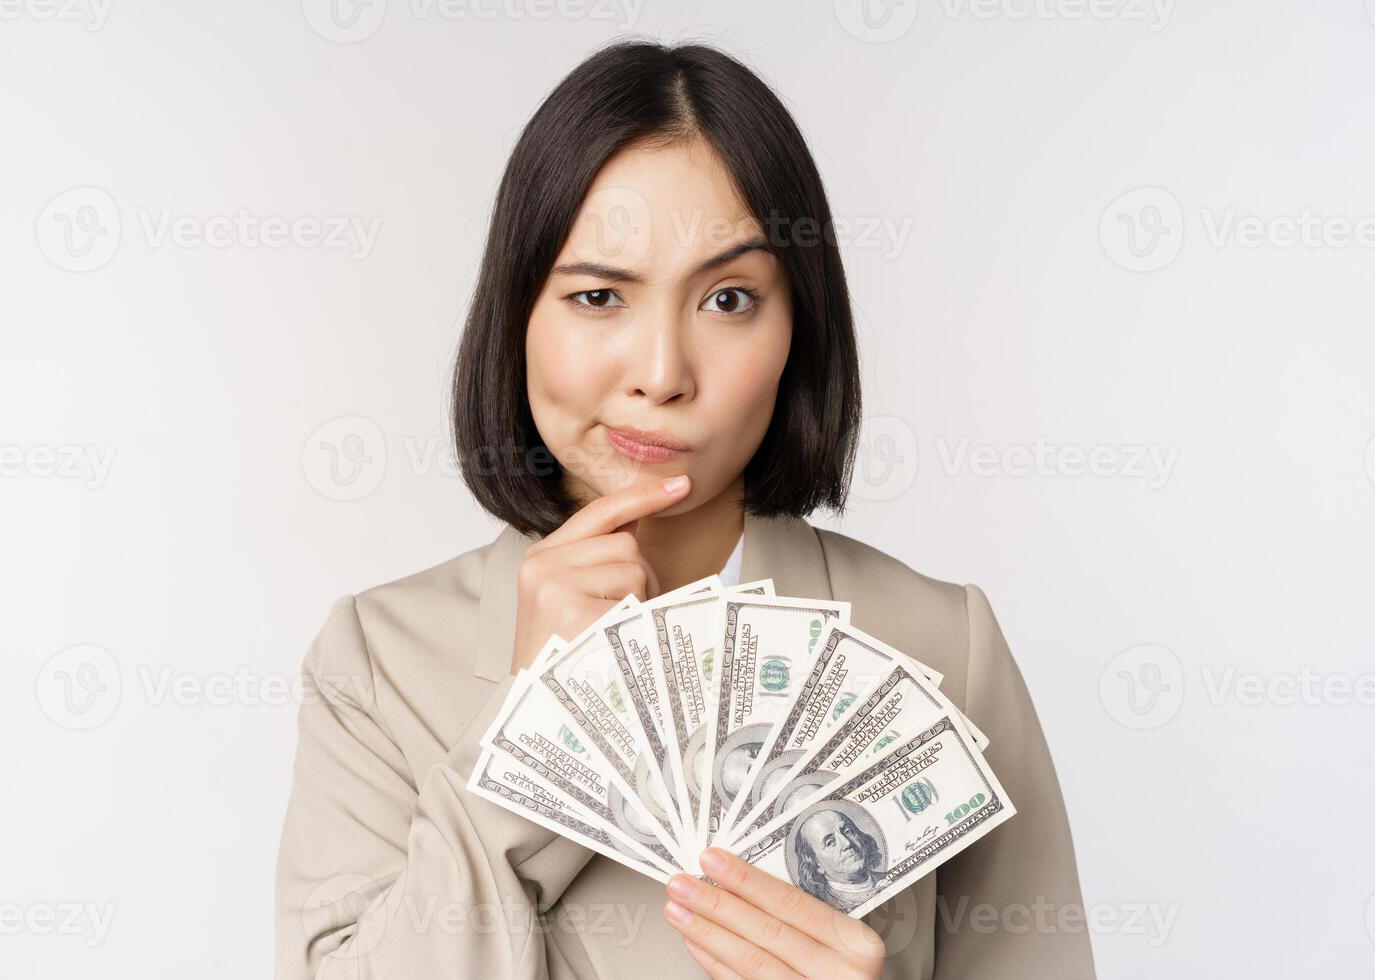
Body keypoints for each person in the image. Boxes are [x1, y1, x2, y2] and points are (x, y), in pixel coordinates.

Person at [274, 38, 1096, 980]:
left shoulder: (943, 644)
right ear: (517, 317)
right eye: (597, 296)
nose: (662, 374)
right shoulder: (376, 666)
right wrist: (534, 718)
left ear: (801, 329)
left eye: (730, 298)